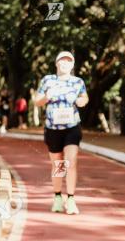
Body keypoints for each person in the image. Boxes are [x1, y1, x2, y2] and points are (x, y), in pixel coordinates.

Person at [34, 51, 88, 215]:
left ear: (72, 65)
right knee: (58, 164)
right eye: (62, 61)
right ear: (57, 64)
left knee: (70, 161)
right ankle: (58, 197)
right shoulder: (47, 80)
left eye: (68, 61)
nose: (65, 64)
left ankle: (70, 198)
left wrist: (81, 101)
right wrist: (46, 97)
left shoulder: (78, 81)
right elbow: (37, 101)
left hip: (72, 127)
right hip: (52, 128)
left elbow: (84, 98)